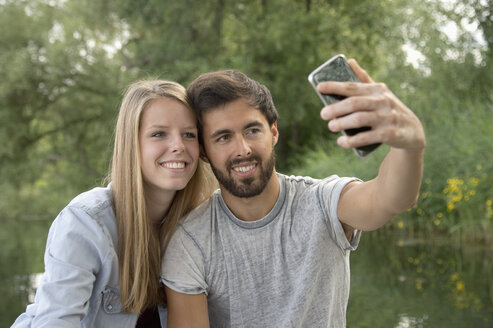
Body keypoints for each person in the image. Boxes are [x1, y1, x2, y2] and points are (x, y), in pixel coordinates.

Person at [161, 60, 426, 327]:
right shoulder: (189, 242)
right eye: (223, 137)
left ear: (273, 132)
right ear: (204, 152)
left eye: (252, 130)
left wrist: (410, 146)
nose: (242, 149)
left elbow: (390, 198)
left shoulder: (322, 203)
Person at [11, 80, 217, 328]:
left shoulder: (199, 226)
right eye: (159, 134)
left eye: (189, 134)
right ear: (132, 144)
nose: (179, 146)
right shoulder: (84, 223)